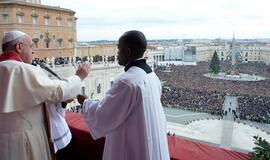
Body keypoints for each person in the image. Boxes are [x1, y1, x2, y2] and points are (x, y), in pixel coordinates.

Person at [79, 30, 170, 160]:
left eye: (119, 49)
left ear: (128, 51)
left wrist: (85, 102)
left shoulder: (127, 81)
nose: (117, 54)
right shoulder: (151, 75)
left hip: (133, 146)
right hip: (150, 139)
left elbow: (104, 114)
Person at [0, 30, 91, 160]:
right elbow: (56, 91)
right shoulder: (20, 69)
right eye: (31, 46)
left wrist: (62, 100)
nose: (33, 51)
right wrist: (79, 76)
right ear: (19, 47)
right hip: (23, 139)